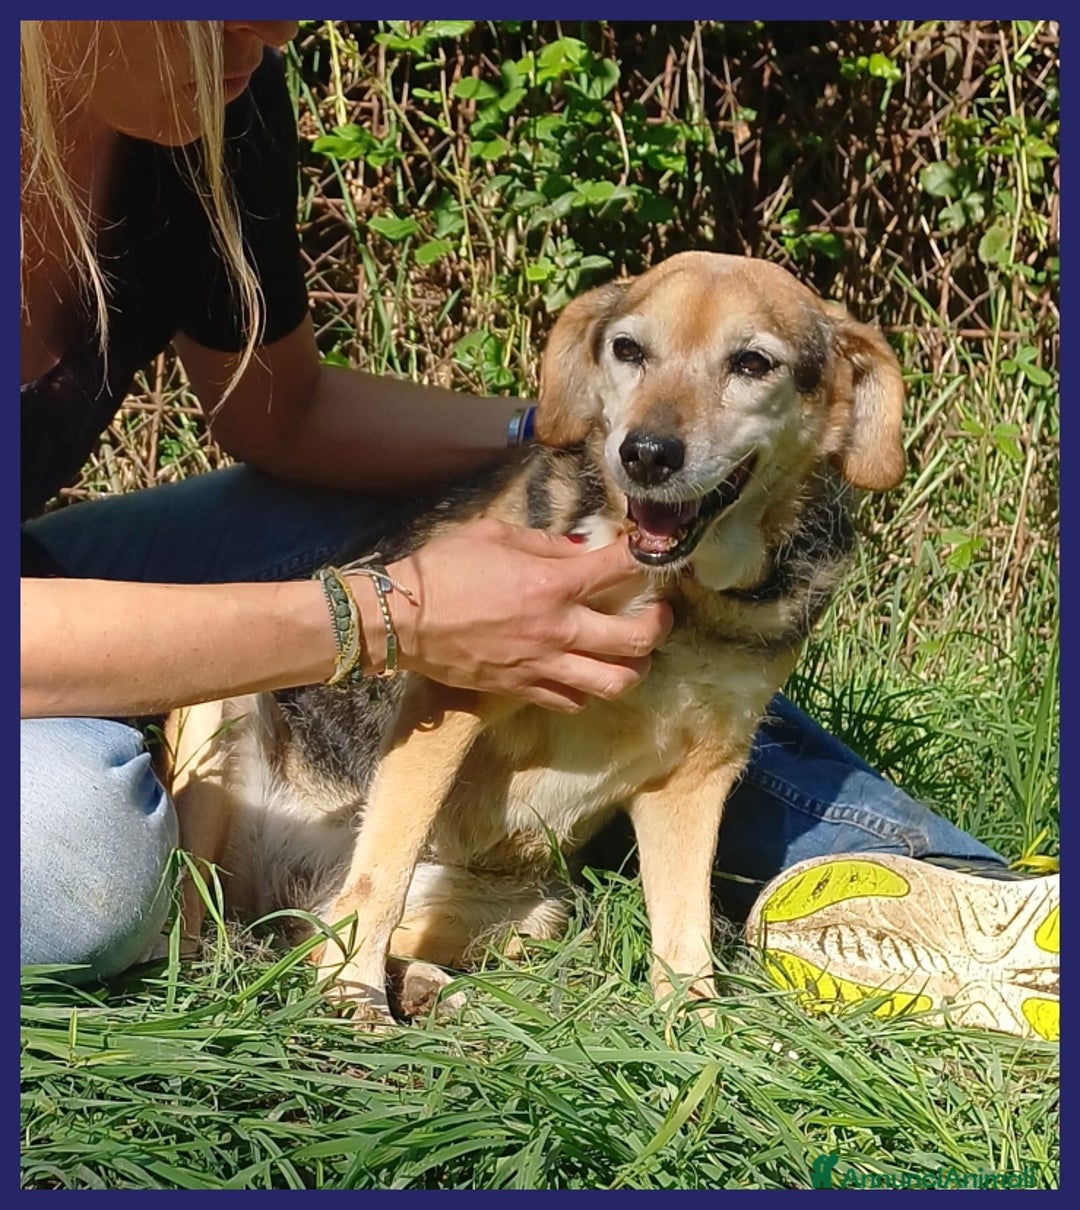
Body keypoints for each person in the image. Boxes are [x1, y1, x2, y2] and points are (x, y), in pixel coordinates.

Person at [20, 20, 1057, 1043]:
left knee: (600, 588)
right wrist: (390, 613)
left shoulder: (219, 96)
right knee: (82, 854)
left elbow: (279, 417)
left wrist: (555, 439)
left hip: (49, 559)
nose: (283, 29)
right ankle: (288, 912)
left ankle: (931, 888)